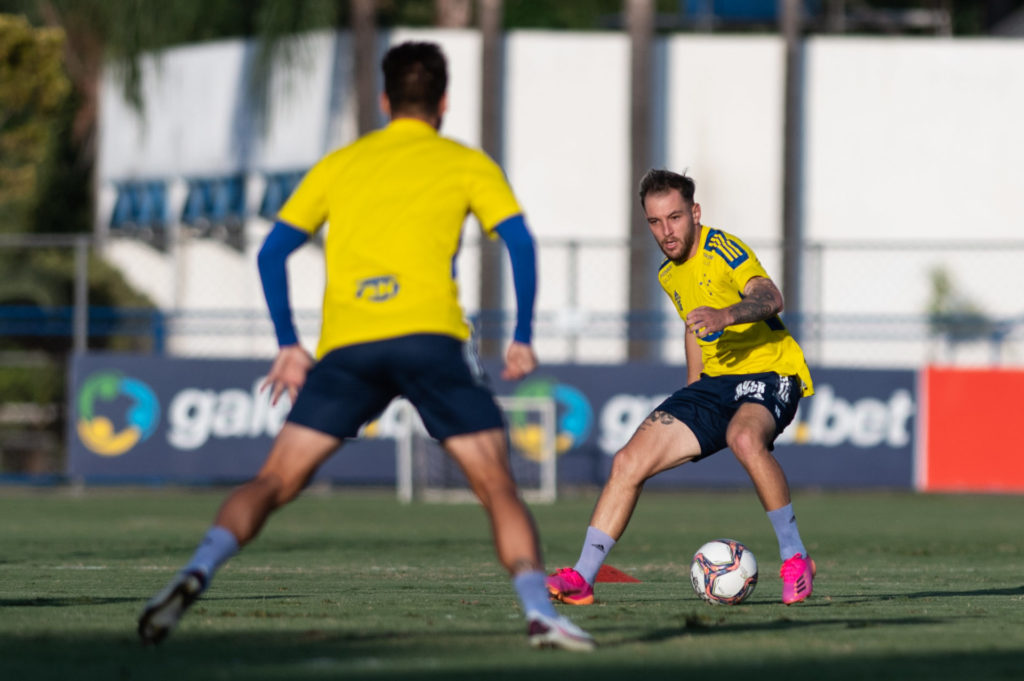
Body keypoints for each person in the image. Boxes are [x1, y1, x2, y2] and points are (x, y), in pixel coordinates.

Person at [138, 41, 593, 652]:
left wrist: (288, 345)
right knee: (497, 487)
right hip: (431, 340)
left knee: (273, 481)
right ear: (443, 102)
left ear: (385, 100)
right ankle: (541, 613)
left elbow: (272, 251)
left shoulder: (341, 163)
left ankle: (196, 570)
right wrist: (523, 336)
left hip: (348, 347)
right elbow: (520, 242)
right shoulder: (464, 161)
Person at [546, 169, 816, 607]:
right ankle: (582, 577)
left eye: (674, 218)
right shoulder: (668, 274)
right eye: (655, 222)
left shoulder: (721, 248)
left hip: (772, 372)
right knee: (627, 461)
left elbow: (770, 297)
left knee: (744, 438)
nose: (666, 231)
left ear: (695, 213)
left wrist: (724, 316)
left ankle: (795, 557)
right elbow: (694, 326)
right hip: (716, 384)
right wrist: (693, 393)